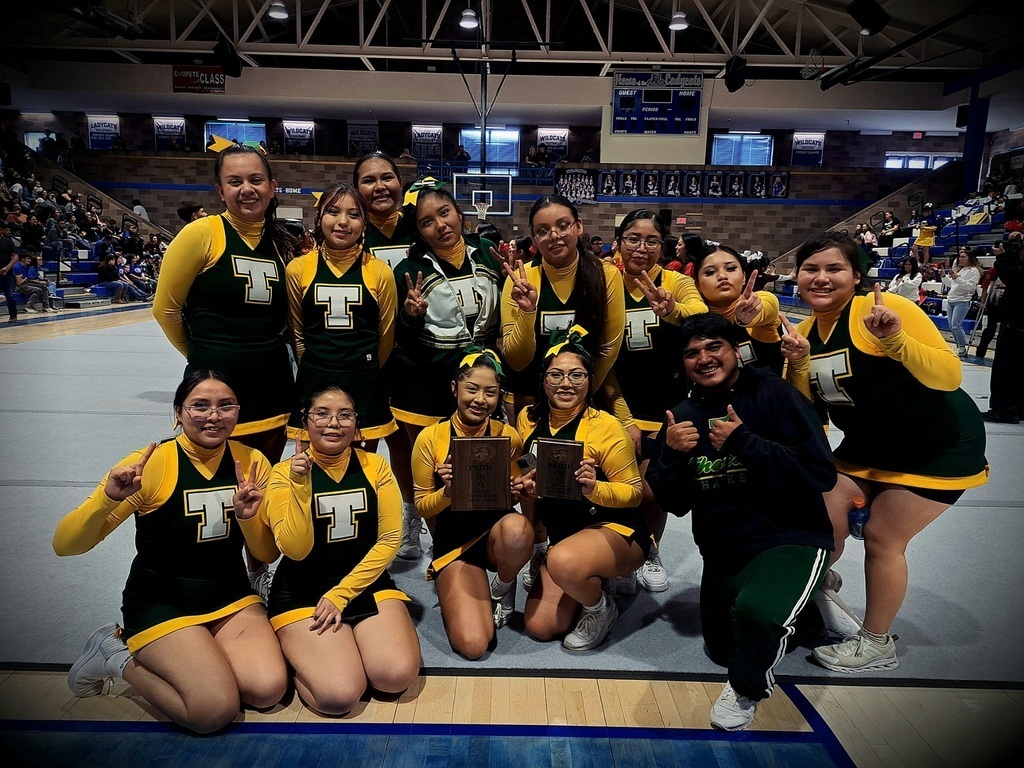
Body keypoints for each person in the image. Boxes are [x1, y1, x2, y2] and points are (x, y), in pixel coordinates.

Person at [783, 233, 987, 673]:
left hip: (936, 445)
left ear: (856, 276)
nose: (821, 278)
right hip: (868, 445)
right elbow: (811, 412)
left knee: (882, 538)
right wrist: (797, 365)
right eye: (810, 268)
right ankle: (819, 582)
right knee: (814, 522)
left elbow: (949, 376)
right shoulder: (801, 332)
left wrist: (896, 342)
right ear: (796, 276)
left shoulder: (884, 312)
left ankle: (876, 643)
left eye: (834, 268)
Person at [53, 371, 288, 734]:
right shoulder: (151, 464)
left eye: (226, 406)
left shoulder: (252, 461)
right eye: (200, 406)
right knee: (212, 712)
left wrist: (249, 518)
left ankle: (201, 655)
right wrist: (107, 499)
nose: (214, 415)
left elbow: (265, 554)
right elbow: (66, 545)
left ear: (238, 412)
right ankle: (115, 656)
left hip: (230, 594)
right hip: (161, 600)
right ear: (178, 412)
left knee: (267, 690)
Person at [647, 313, 835, 731]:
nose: (705, 358)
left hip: (789, 535)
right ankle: (810, 600)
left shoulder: (774, 394)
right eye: (693, 352)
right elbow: (673, 503)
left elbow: (820, 473)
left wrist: (744, 443)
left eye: (714, 346)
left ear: (736, 350)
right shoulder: (680, 415)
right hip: (725, 549)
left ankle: (747, 690)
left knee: (757, 618)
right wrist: (674, 457)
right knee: (721, 648)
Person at [263, 387, 420, 715]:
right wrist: (301, 486)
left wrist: (341, 594)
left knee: (395, 677)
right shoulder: (281, 474)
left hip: (362, 582)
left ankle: (331, 651)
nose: (333, 423)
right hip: (302, 590)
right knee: (340, 696)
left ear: (357, 425)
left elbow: (390, 538)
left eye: (345, 415)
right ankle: (304, 658)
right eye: (321, 413)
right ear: (305, 423)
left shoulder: (375, 466)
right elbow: (293, 549)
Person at [500, 195, 626, 586]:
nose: (553, 235)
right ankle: (540, 545)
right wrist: (525, 310)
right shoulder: (522, 279)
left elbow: (609, 343)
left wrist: (581, 394)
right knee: (532, 476)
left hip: (586, 398)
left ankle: (604, 551)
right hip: (528, 399)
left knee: (592, 473)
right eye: (542, 230)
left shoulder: (606, 274)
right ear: (533, 238)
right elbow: (518, 360)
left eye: (562, 226)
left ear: (579, 227)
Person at [153, 145, 296, 465]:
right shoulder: (200, 234)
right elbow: (164, 309)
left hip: (273, 388)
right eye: (235, 181)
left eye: (256, 179)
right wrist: (199, 352)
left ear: (272, 188)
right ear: (220, 191)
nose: (247, 189)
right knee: (216, 488)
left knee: (261, 486)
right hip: (214, 389)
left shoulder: (280, 242)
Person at [516, 327, 647, 651]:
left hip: (615, 528)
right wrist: (527, 489)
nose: (565, 383)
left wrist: (595, 488)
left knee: (562, 562)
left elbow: (634, 492)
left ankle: (601, 607)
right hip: (565, 535)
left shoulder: (606, 427)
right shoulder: (527, 419)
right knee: (539, 626)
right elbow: (526, 467)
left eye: (576, 375)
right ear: (543, 379)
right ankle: (592, 571)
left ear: (590, 380)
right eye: (556, 374)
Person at [392, 179, 502, 553]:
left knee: (477, 467)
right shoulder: (408, 269)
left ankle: (482, 545)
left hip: (477, 386)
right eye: (427, 221)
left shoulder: (487, 253)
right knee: (432, 472)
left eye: (444, 213)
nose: (439, 225)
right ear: (418, 231)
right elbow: (402, 338)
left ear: (459, 212)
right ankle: (439, 546)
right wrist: (410, 317)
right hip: (422, 386)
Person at [602, 209, 707, 593]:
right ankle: (617, 556)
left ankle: (650, 551)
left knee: (652, 492)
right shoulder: (605, 279)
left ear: (662, 245)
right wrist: (623, 417)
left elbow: (700, 317)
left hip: (665, 407)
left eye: (651, 241)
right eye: (632, 238)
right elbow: (599, 357)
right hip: (613, 404)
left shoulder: (678, 282)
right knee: (612, 489)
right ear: (619, 241)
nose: (641, 248)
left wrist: (673, 311)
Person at [412, 349, 533, 659]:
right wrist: (448, 493)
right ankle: (467, 583)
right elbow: (422, 505)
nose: (481, 399)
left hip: (497, 536)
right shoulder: (430, 438)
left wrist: (520, 490)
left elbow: (522, 485)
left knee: (519, 527)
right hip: (455, 543)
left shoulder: (509, 436)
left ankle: (504, 585)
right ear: (455, 389)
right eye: (472, 389)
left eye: (491, 392)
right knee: (474, 645)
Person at [284, 181, 397, 452]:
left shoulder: (380, 272)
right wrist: (318, 362)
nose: (343, 222)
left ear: (365, 224)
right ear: (319, 217)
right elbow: (297, 330)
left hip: (364, 380)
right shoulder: (298, 269)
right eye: (333, 212)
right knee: (312, 464)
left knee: (363, 465)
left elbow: (386, 336)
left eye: (354, 214)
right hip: (315, 376)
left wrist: (361, 366)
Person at [352, 151, 421, 557]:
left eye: (388, 178)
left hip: (417, 355)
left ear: (401, 183)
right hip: (366, 356)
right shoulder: (348, 232)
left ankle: (411, 518)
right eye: (368, 180)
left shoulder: (419, 226)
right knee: (363, 445)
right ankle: (364, 524)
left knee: (408, 445)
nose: (380, 186)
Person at [693, 245, 784, 375]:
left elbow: (767, 306)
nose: (722, 276)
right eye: (710, 272)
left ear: (744, 277)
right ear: (698, 285)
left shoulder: (761, 301)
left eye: (731, 269)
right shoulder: (693, 321)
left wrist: (746, 319)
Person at [982, 234, 1024, 423]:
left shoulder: (1016, 270)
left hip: (1016, 326)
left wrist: (1002, 256)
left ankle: (1004, 409)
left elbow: (1011, 276)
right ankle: (1017, 408)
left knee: (1005, 371)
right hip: (1016, 324)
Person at [941, 248, 982, 357]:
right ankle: (959, 346)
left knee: (956, 325)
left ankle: (962, 348)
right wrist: (944, 277)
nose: (960, 259)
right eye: (960, 256)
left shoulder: (974, 271)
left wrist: (957, 278)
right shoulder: (961, 270)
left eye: (963, 257)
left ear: (970, 258)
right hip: (951, 300)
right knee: (952, 325)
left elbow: (970, 288)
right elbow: (953, 284)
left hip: (962, 301)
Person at [1, 223, 20, 321]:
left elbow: (16, 256)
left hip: (6, 272)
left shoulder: (7, 241)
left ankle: (13, 315)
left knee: (9, 295)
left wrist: (7, 268)